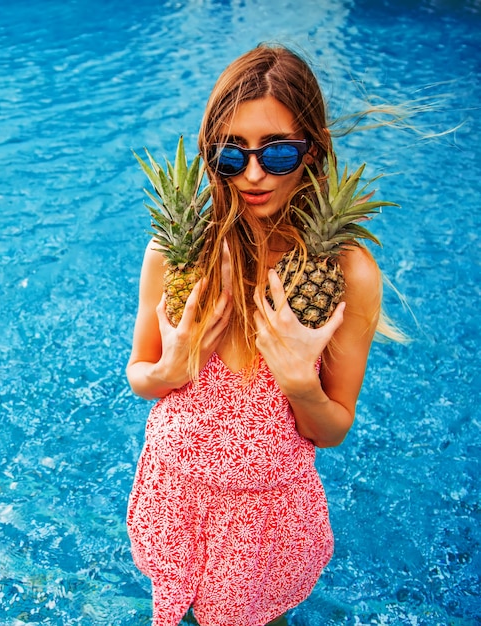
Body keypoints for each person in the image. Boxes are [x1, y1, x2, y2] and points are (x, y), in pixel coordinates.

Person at [126, 43, 387, 626]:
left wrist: (300, 383)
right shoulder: (179, 251)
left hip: (264, 521)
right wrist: (167, 372)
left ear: (312, 151)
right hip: (176, 496)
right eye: (230, 155)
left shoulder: (346, 273)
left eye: (278, 152)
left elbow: (332, 428)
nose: (251, 174)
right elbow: (140, 375)